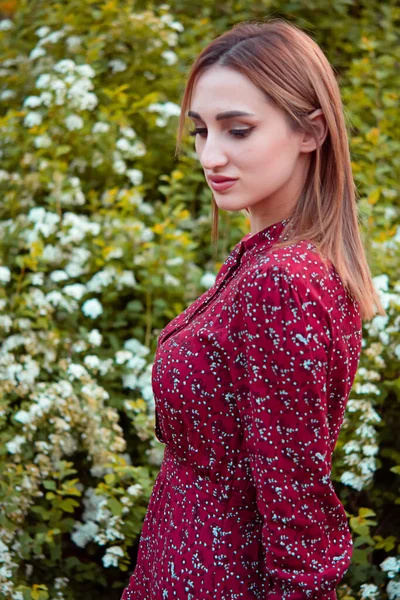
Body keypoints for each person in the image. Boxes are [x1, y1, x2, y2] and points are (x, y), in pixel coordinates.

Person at [120, 17, 386, 600]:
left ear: (310, 132)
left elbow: (300, 522)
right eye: (200, 131)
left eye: (237, 130)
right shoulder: (262, 263)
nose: (210, 155)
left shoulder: (283, 283)